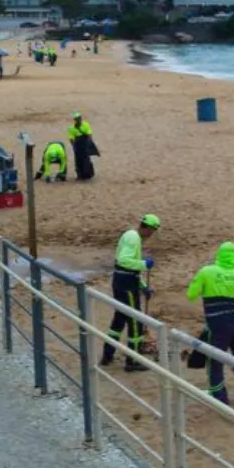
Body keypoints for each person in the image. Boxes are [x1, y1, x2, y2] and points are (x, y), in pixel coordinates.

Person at [186, 241, 234, 407]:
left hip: (218, 324)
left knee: (215, 360)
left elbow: (191, 294)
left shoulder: (206, 271)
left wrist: (203, 284)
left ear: (219, 254)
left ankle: (219, 397)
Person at [100, 214, 161, 371]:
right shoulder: (133, 238)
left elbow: (129, 268)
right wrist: (144, 264)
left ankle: (107, 355)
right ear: (147, 227)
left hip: (124, 281)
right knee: (135, 321)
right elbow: (123, 260)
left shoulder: (132, 237)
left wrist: (142, 286)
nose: (151, 235)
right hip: (126, 285)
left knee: (119, 320)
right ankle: (132, 360)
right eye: (152, 231)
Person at [68, 112, 99, 180]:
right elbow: (71, 138)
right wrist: (74, 146)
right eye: (77, 119)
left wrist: (89, 143)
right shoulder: (71, 128)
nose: (79, 120)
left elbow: (89, 134)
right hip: (77, 144)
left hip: (85, 143)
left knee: (86, 159)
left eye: (79, 118)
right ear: (75, 120)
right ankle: (79, 175)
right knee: (78, 160)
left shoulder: (86, 124)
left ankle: (88, 174)